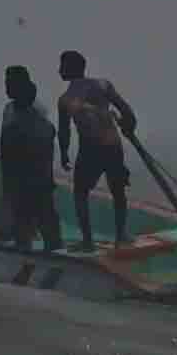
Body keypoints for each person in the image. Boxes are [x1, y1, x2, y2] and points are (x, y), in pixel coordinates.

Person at [56, 50, 137, 251]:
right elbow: (126, 111)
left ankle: (87, 241)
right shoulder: (103, 85)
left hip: (90, 149)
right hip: (113, 146)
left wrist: (64, 153)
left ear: (71, 68)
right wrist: (128, 127)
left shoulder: (65, 100)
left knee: (80, 193)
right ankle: (121, 236)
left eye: (62, 66)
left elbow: (64, 131)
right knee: (118, 191)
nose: (59, 70)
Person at [0, 66, 62, 251]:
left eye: (10, 83)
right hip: (20, 179)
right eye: (6, 83)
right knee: (23, 224)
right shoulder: (9, 110)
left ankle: (52, 251)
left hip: (34, 179)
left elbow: (44, 146)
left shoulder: (35, 116)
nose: (6, 87)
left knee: (45, 222)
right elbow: (6, 151)